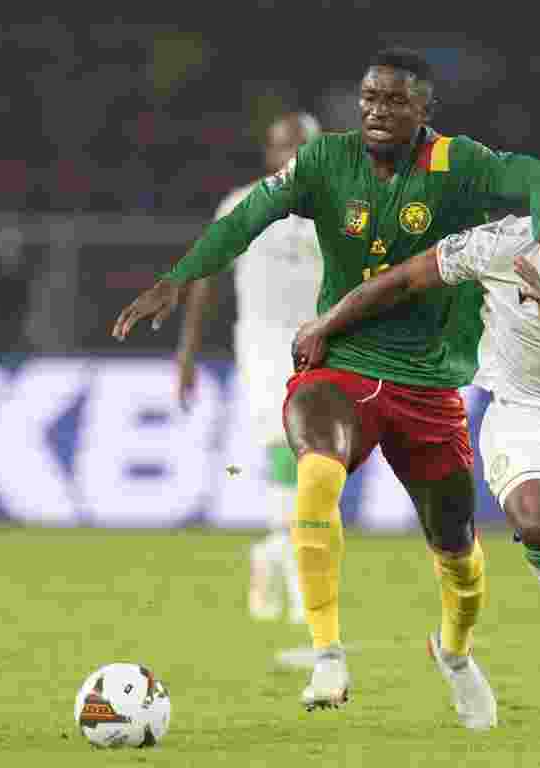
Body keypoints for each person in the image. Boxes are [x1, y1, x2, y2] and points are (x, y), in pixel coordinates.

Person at [111, 46, 540, 728]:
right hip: (341, 358)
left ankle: (456, 654)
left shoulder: (454, 162)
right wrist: (177, 278)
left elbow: (536, 175)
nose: (379, 111)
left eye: (396, 101)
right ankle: (327, 653)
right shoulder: (326, 161)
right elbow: (244, 219)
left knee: (460, 558)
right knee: (314, 473)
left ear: (424, 111)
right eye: (370, 99)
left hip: (427, 380)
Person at [292, 154, 540, 737]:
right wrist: (326, 322)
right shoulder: (503, 244)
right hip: (522, 414)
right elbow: (406, 278)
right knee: (535, 524)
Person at [177, 113, 321, 643]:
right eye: (283, 146)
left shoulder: (338, 210)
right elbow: (205, 277)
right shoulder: (240, 205)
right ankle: (300, 577)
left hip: (318, 345)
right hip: (261, 345)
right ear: (269, 152)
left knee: (317, 462)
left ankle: (273, 551)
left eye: (302, 147)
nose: (292, 156)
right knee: (286, 444)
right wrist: (188, 353)